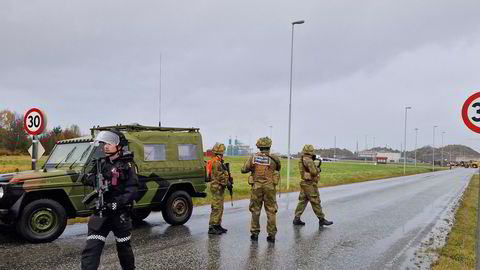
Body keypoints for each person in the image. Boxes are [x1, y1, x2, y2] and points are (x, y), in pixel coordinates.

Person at [81, 129, 138, 270]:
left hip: (120, 214)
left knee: (124, 248)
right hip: (101, 212)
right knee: (91, 249)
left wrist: (115, 204)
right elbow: (86, 178)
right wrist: (91, 179)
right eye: (105, 143)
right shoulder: (100, 163)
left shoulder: (128, 166)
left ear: (119, 146)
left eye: (110, 143)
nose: (106, 146)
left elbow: (132, 191)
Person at [241, 137, 281, 243]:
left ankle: (254, 233)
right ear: (269, 146)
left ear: (259, 147)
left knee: (255, 210)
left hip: (256, 187)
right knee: (271, 211)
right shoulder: (274, 158)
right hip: (270, 187)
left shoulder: (253, 157)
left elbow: (244, 169)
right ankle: (271, 235)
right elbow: (278, 168)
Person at [293, 144, 333, 227]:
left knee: (303, 201)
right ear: (311, 151)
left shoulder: (302, 159)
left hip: (304, 183)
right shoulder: (309, 160)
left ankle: (296, 219)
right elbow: (313, 172)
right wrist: (318, 169)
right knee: (315, 201)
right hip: (309, 184)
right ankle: (321, 219)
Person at [208, 143, 230, 235]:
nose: (223, 154)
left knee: (220, 206)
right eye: (222, 152)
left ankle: (217, 225)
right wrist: (227, 182)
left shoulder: (218, 161)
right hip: (217, 187)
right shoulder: (216, 162)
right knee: (216, 207)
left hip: (219, 187)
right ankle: (212, 227)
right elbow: (220, 176)